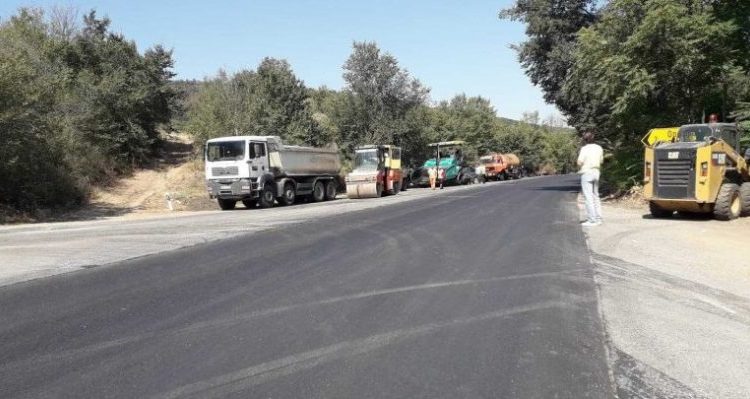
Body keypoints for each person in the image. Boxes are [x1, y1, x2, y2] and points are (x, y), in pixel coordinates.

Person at [578, 132, 604, 226]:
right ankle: (598, 218)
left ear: (585, 140)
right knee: (596, 196)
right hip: (596, 172)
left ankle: (592, 220)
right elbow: (601, 160)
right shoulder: (599, 148)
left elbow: (580, 162)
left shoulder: (584, 149)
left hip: (587, 172)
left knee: (588, 197)